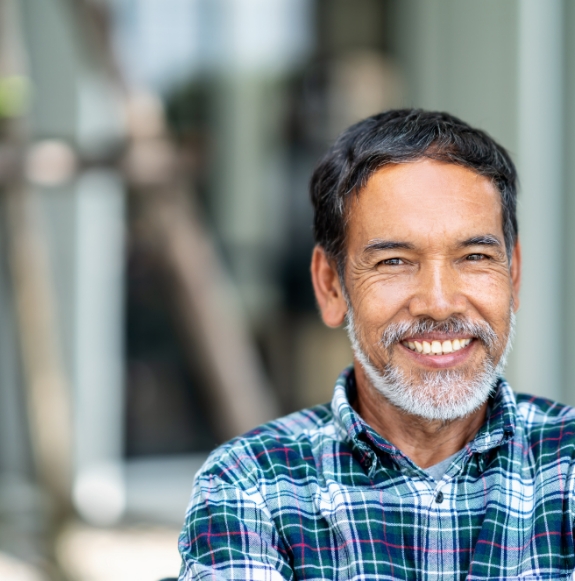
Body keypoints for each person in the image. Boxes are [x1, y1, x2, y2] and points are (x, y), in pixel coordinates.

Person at [177, 109, 575, 580]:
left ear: (513, 273)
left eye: (474, 257)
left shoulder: (566, 469)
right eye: (393, 261)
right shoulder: (252, 485)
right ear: (330, 286)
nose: (440, 303)